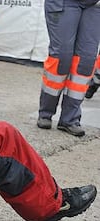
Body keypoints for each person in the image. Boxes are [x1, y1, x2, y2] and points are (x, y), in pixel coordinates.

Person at [37, 0, 100, 136]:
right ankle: (46, 113)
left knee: (86, 61)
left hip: (94, 5)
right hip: (65, 3)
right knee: (61, 59)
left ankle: (70, 119)